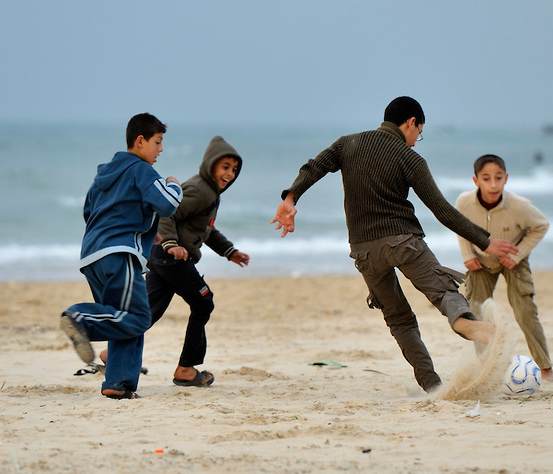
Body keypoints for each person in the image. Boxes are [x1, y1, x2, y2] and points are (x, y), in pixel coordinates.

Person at [270, 96, 519, 393]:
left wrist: (290, 198)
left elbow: (314, 167)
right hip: (403, 241)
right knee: (443, 292)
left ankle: (431, 385)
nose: (416, 141)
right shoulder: (409, 158)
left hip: (364, 251)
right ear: (411, 122)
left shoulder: (347, 143)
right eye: (419, 133)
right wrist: (485, 241)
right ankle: (464, 321)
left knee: (399, 319)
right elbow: (442, 210)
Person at [98, 136, 249, 387]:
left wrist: (228, 251)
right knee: (203, 303)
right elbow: (165, 213)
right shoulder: (200, 190)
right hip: (171, 258)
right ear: (210, 165)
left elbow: (205, 229)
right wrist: (171, 243)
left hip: (160, 257)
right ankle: (186, 369)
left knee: (147, 311)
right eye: (225, 167)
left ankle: (112, 354)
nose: (230, 174)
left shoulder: (209, 193)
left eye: (234, 170)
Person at [61, 113, 182, 399]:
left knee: (122, 316)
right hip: (120, 254)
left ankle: (118, 385)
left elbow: (89, 211)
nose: (160, 150)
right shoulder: (140, 170)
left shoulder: (104, 174)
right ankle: (80, 319)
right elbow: (168, 203)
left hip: (92, 256)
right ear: (140, 141)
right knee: (139, 317)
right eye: (158, 142)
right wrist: (173, 183)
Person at [454, 154, 553, 381]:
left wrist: (518, 257)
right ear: (475, 180)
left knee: (525, 312)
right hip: (480, 260)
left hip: (512, 259)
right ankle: (486, 365)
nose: (493, 184)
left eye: (498, 178)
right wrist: (468, 255)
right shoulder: (464, 202)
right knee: (477, 312)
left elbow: (541, 226)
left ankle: (545, 368)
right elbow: (459, 226)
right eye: (486, 178)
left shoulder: (519, 206)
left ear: (506, 179)